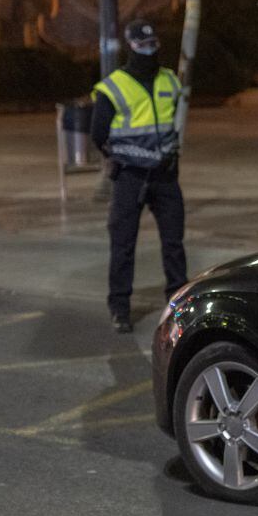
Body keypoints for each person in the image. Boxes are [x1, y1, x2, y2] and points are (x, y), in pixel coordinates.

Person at [91, 18, 187, 333]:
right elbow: (98, 134)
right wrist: (123, 158)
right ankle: (119, 307)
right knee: (123, 244)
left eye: (153, 44)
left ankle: (177, 305)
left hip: (165, 176)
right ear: (130, 46)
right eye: (142, 45)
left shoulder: (170, 81)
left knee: (173, 243)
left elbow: (177, 118)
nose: (149, 50)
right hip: (130, 176)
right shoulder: (114, 87)